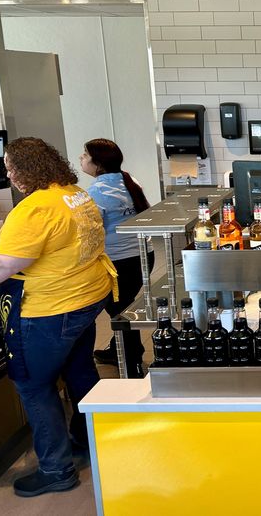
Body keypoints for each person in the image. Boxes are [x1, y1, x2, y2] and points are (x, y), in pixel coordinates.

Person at [0, 137, 116, 497]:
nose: (8, 173)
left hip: (51, 309)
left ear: (28, 169)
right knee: (79, 369)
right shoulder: (73, 193)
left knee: (33, 385)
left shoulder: (35, 208)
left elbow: (5, 263)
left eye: (11, 166)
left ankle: (56, 469)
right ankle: (89, 439)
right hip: (87, 298)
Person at [80, 138, 153, 377]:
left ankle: (132, 362)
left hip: (118, 263)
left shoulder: (96, 192)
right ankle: (118, 349)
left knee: (119, 313)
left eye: (84, 155)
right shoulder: (130, 180)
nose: (80, 159)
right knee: (125, 307)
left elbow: (90, 232)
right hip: (143, 257)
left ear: (97, 163)